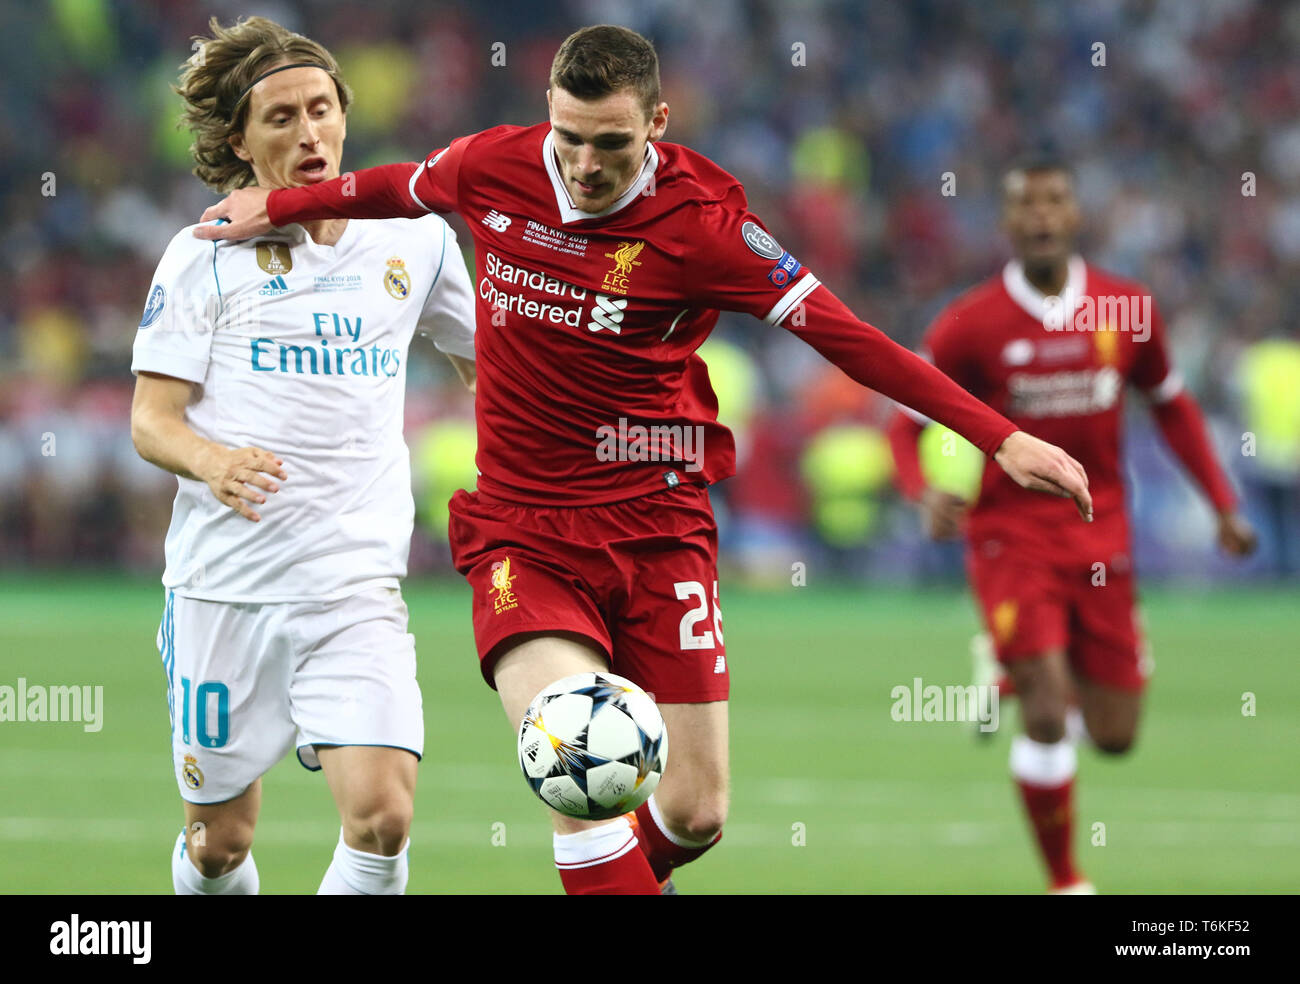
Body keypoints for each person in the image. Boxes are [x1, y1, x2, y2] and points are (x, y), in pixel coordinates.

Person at [194, 24, 1093, 895]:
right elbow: (388, 186)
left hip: (659, 527)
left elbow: (851, 339)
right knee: (580, 759)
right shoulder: (492, 167)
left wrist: (1001, 436)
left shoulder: (706, 228)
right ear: (547, 113)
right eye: (569, 138)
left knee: (695, 812)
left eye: (611, 144)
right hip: (524, 533)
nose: (584, 167)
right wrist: (273, 205)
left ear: (657, 124)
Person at [130, 16, 476, 895]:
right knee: (220, 845)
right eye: (279, 117)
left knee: (383, 818)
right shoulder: (202, 256)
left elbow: (488, 369)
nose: (308, 131)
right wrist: (212, 462)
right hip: (226, 588)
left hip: (352, 584)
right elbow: (152, 420)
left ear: (346, 118)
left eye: (320, 109)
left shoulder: (416, 239)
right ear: (240, 141)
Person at [887, 158, 1257, 892]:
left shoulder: (1126, 307)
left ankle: (1011, 674)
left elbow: (1173, 406)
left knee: (1115, 737)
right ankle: (1066, 880)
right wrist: (923, 488)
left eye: (1055, 201)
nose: (1042, 216)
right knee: (1052, 715)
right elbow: (906, 420)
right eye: (1027, 204)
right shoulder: (969, 324)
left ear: (1076, 214)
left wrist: (1222, 504)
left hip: (1101, 536)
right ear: (1007, 221)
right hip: (1008, 536)